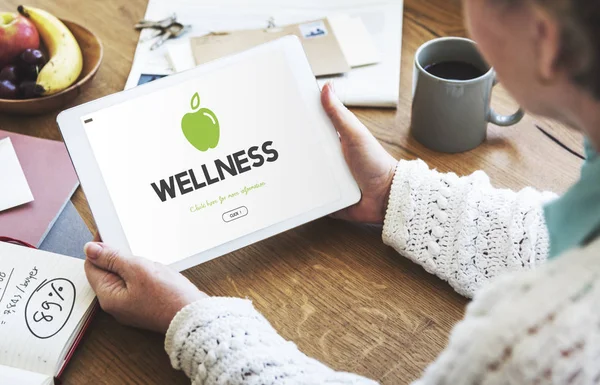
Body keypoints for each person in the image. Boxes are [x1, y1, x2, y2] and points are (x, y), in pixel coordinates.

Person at [83, 0, 600, 383]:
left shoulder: (542, 344)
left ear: (546, 40)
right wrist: (394, 192)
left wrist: (188, 321)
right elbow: (566, 242)